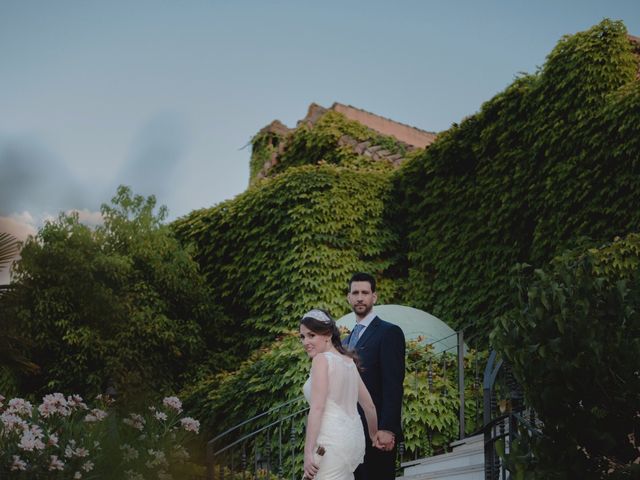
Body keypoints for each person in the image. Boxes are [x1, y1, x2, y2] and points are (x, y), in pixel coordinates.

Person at [300, 308, 379, 480]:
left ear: (327, 334)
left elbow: (318, 407)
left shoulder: (321, 360)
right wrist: (373, 435)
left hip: (329, 444)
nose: (306, 342)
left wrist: (308, 453)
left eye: (311, 335)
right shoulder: (349, 363)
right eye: (303, 336)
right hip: (353, 442)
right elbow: (369, 406)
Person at [344, 272, 405, 480]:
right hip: (350, 433)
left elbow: (393, 384)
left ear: (374, 297)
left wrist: (387, 428)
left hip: (377, 432)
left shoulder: (389, 332)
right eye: (355, 293)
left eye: (365, 292)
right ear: (349, 298)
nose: (360, 297)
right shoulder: (344, 342)